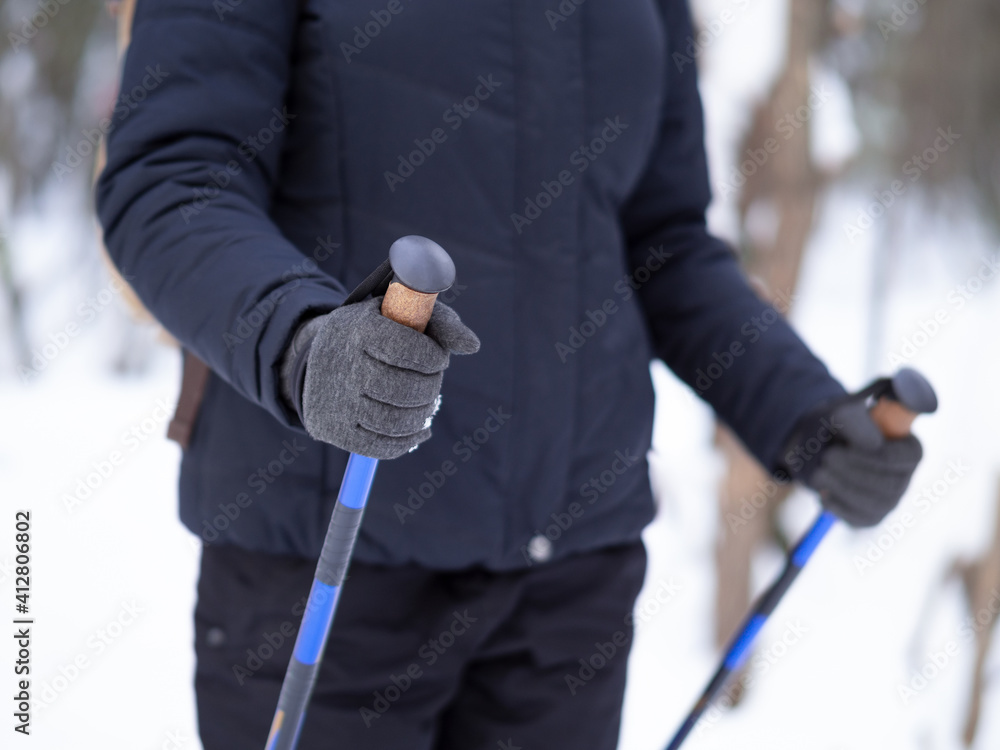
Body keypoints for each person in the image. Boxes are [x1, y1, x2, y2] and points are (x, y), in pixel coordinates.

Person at [96, 0, 923, 747]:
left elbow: (661, 240)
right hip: (327, 561)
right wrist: (304, 342)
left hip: (567, 593)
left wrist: (804, 411)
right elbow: (173, 182)